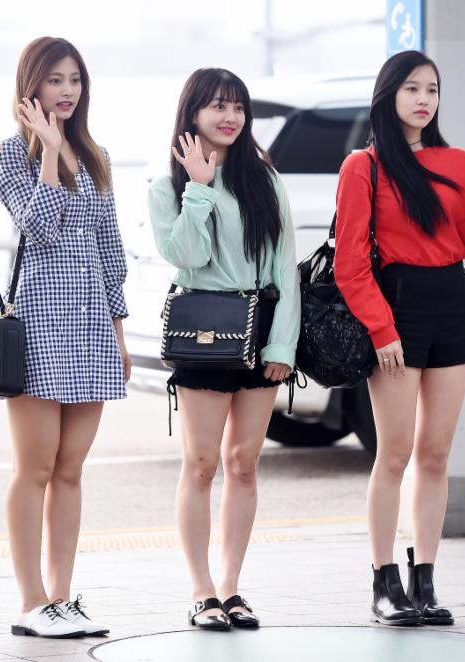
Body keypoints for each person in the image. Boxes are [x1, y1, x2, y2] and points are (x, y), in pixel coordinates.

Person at [334, 50, 465, 626]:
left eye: (431, 89)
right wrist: (382, 329)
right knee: (395, 454)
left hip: (452, 302)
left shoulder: (457, 161)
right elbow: (349, 264)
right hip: (398, 307)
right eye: (411, 88)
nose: (423, 99)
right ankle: (384, 583)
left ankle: (424, 582)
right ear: (388, 95)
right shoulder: (363, 167)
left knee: (436, 455)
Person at [0, 36, 131, 639]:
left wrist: (119, 332)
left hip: (93, 325)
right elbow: (39, 227)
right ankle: (31, 601)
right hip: (39, 325)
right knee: (35, 468)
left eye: (75, 79)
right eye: (55, 79)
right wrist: (47, 150)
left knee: (70, 470)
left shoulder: (96, 154)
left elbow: (111, 252)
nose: (67, 90)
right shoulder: (9, 155)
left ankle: (62, 599)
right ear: (32, 86)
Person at [148, 68, 300, 631]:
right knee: (201, 463)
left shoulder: (265, 179)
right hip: (204, 333)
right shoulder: (167, 186)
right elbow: (187, 257)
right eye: (217, 106)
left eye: (237, 107)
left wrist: (283, 343)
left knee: (243, 464)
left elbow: (285, 264)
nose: (230, 116)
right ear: (192, 113)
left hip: (261, 332)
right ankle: (202, 590)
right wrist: (199, 187)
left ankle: (232, 588)